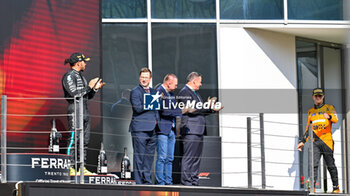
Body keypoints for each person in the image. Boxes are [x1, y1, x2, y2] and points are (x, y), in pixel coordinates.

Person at [62, 52, 105, 175]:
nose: (85, 64)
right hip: (75, 110)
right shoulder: (69, 76)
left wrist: (94, 89)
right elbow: (74, 94)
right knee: (73, 139)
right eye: (84, 61)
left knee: (84, 141)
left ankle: (81, 167)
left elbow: (87, 96)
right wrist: (89, 87)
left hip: (85, 110)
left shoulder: (81, 76)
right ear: (78, 63)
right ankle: (69, 167)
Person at [178, 72, 223, 186]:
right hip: (190, 130)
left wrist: (212, 109)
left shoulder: (196, 93)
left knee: (196, 158)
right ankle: (187, 181)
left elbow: (200, 110)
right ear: (194, 81)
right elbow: (192, 109)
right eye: (200, 81)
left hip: (198, 130)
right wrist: (206, 106)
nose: (201, 84)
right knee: (189, 157)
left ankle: (194, 180)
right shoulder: (184, 92)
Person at [297, 88, 340, 193]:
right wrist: (302, 141)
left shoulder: (329, 108)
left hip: (327, 140)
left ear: (323, 96)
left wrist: (329, 116)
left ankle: (336, 187)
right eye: (316, 96)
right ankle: (312, 187)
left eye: (320, 96)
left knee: (330, 164)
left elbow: (336, 119)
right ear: (313, 97)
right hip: (315, 141)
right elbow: (308, 129)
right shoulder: (310, 112)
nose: (318, 97)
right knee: (313, 164)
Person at [129, 67, 159, 184]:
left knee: (149, 158)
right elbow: (137, 108)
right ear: (139, 78)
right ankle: (139, 182)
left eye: (146, 77)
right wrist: (151, 102)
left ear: (150, 79)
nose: (144, 79)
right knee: (139, 157)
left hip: (153, 129)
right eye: (142, 77)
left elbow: (156, 109)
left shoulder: (154, 92)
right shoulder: (135, 91)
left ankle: (147, 181)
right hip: (140, 129)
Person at [155, 74, 182, 185]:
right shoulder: (158, 91)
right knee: (162, 157)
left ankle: (168, 181)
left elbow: (175, 109)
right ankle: (161, 182)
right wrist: (177, 111)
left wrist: (176, 111)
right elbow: (164, 111)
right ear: (169, 82)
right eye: (175, 84)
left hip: (171, 129)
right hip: (162, 129)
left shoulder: (171, 94)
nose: (176, 87)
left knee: (170, 158)